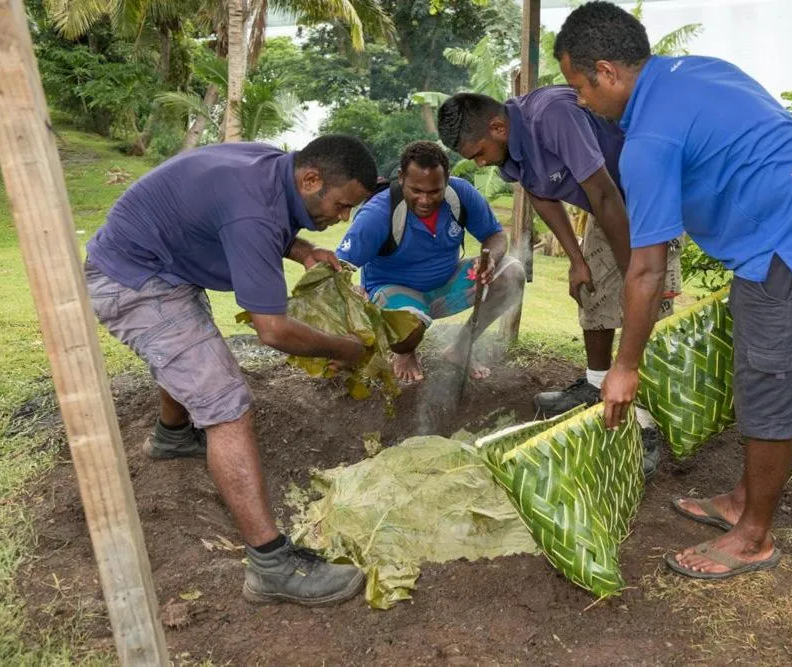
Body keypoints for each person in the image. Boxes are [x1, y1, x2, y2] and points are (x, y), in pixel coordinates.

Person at [554, 2, 792, 579]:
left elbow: (646, 270)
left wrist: (625, 366)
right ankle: (740, 502)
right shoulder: (697, 69)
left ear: (606, 72)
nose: (580, 100)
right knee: (758, 369)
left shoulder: (650, 139)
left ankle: (753, 537)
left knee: (769, 385)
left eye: (579, 86)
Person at [85, 135, 378, 605]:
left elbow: (254, 216)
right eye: (342, 205)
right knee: (226, 403)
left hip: (159, 264)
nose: (342, 218)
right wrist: (344, 349)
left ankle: (173, 436)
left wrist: (303, 252)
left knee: (190, 349)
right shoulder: (253, 211)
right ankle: (270, 565)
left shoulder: (269, 167)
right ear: (311, 179)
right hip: (132, 280)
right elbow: (274, 331)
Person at [436, 89, 683, 476]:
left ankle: (643, 418)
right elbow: (541, 195)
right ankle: (597, 384)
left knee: (647, 303)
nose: (481, 163)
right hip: (609, 205)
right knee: (594, 292)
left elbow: (601, 189)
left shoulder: (552, 116)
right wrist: (577, 259)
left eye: (479, 153)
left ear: (498, 127)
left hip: (648, 194)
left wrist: (636, 272)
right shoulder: (509, 151)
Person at [336, 140, 525, 382]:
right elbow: (339, 266)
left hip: (446, 286)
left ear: (446, 179)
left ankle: (461, 347)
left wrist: (490, 259)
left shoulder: (460, 194)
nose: (425, 200)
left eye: (434, 191)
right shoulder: (378, 213)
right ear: (402, 178)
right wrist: (353, 293)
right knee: (410, 328)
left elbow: (495, 235)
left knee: (513, 273)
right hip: (395, 295)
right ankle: (404, 353)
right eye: (416, 190)